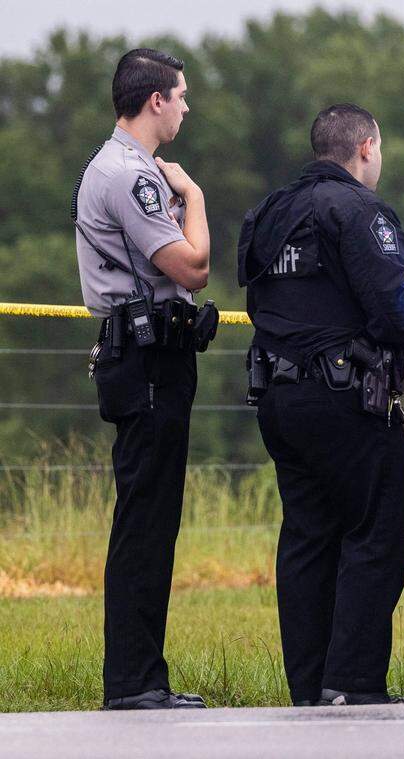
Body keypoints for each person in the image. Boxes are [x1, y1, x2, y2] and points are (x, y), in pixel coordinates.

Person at [238, 104, 404, 707]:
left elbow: (255, 297)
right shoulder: (358, 209)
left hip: (279, 398)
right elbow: (393, 307)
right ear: (366, 147)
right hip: (347, 398)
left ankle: (310, 689)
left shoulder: (269, 211)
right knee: (375, 537)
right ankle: (351, 685)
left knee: (306, 539)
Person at [74, 48, 211, 711]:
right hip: (149, 360)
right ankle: (133, 681)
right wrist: (196, 195)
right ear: (155, 99)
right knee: (146, 524)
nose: (186, 105)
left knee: (149, 520)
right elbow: (191, 267)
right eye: (181, 95)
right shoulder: (135, 177)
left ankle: (140, 676)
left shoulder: (121, 168)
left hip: (147, 356)